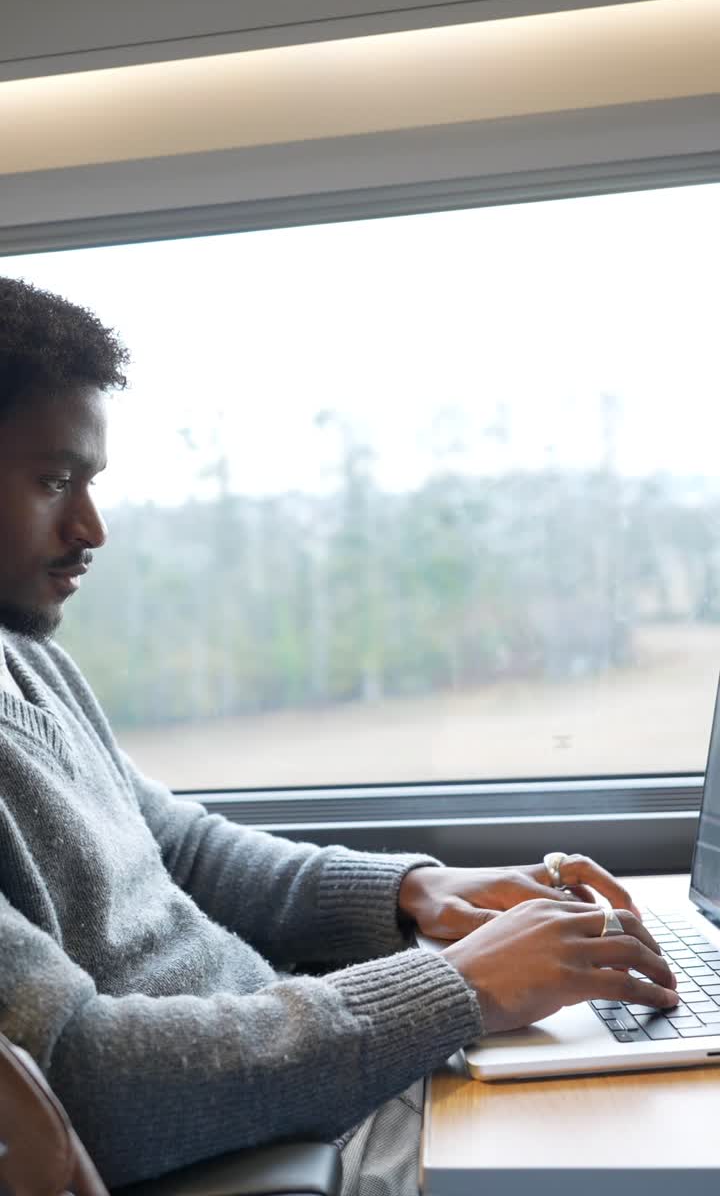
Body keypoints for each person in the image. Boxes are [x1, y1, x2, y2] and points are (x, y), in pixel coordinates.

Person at [0, 275, 677, 1194]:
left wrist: (412, 895)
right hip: (281, 1157)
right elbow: (85, 1081)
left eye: (90, 482)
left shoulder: (27, 661)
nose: (91, 528)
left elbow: (179, 851)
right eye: (53, 481)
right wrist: (459, 989)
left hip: (314, 1085)